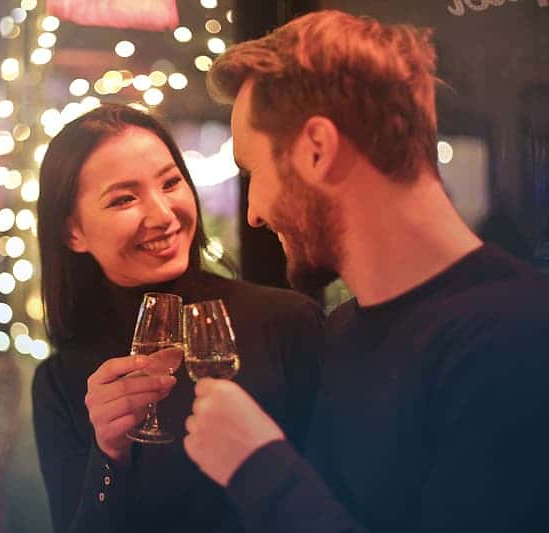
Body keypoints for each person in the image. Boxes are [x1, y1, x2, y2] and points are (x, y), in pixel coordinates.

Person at [183, 10, 549, 533]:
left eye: (252, 172)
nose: (253, 213)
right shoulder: (343, 330)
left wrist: (258, 467)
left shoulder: (522, 341)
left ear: (317, 150)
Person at [32, 103, 323, 533]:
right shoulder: (60, 381)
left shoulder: (285, 321)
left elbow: (336, 504)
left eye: (171, 183)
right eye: (124, 198)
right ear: (71, 232)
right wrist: (109, 456)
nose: (163, 215)